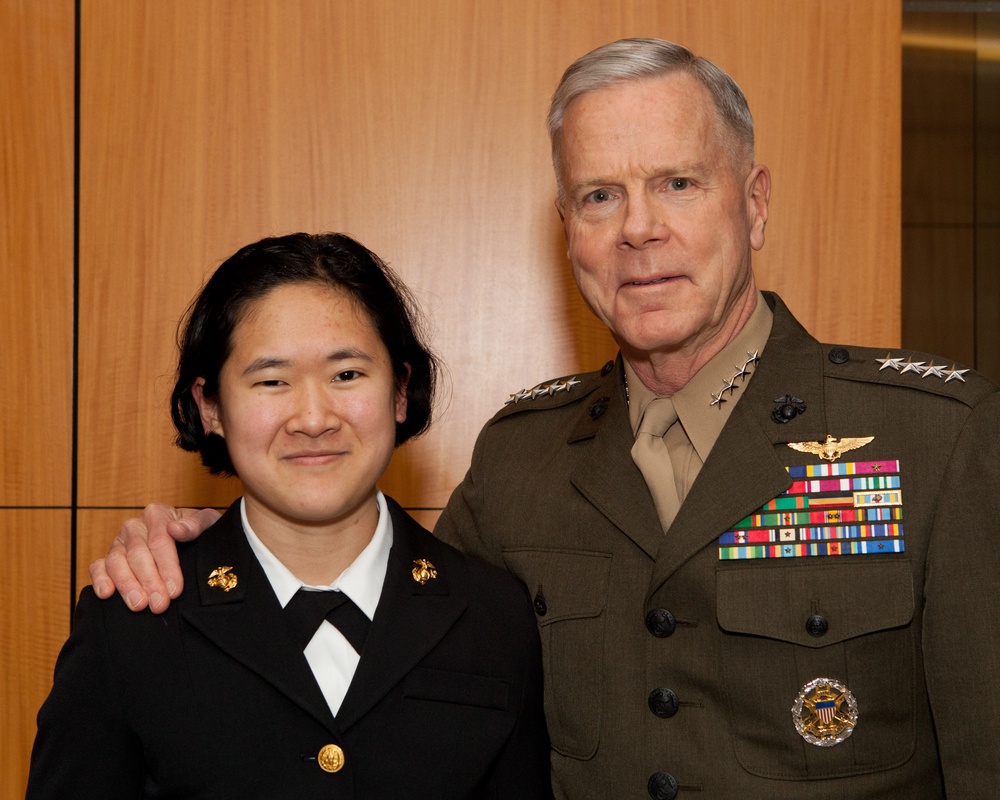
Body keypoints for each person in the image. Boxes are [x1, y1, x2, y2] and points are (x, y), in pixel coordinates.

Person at [89, 40, 1000, 800]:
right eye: (600, 196)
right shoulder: (521, 462)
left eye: (679, 182)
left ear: (754, 203)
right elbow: (401, 612)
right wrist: (229, 544)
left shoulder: (938, 440)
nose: (638, 230)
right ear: (567, 226)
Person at [29, 232, 552, 799]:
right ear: (210, 408)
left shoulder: (495, 615)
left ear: (400, 391)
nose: (312, 417)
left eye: (347, 375)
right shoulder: (132, 621)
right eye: (272, 381)